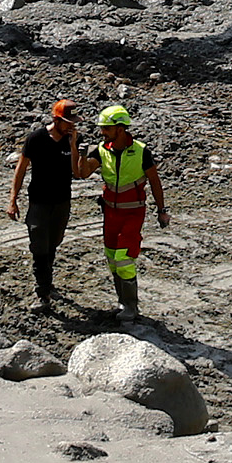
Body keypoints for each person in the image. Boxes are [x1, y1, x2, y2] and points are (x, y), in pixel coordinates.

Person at [85, 103, 168, 318]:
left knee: (124, 258)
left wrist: (162, 210)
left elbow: (155, 181)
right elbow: (82, 173)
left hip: (133, 213)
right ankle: (123, 303)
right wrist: (77, 150)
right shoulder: (101, 149)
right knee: (112, 258)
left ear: (120, 129)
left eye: (106, 128)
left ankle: (131, 306)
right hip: (110, 213)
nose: (102, 132)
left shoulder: (141, 151)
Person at [5, 97, 82, 310]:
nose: (71, 125)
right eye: (68, 121)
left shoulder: (72, 139)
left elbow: (77, 172)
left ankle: (46, 281)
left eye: (73, 121)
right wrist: (13, 200)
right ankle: (42, 292)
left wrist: (73, 145)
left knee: (53, 243)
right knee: (39, 245)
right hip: (38, 202)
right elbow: (20, 170)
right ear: (56, 120)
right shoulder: (36, 139)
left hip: (62, 202)